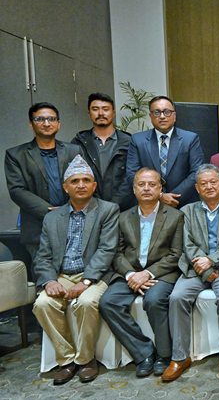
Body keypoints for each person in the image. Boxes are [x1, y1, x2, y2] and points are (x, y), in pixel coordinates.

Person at [32, 155, 119, 385]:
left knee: (87, 302)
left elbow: (107, 250)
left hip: (94, 275)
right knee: (42, 304)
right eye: (75, 181)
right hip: (62, 275)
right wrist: (50, 281)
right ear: (65, 187)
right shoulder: (52, 218)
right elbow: (43, 256)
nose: (81, 185)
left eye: (86, 180)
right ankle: (66, 360)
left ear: (94, 185)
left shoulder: (108, 211)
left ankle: (86, 359)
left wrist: (86, 281)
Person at [98, 167, 183, 378]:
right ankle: (144, 353)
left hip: (161, 274)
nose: (147, 188)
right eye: (141, 185)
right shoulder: (123, 217)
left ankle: (164, 355)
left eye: (152, 184)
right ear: (134, 189)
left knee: (153, 300)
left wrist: (148, 274)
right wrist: (130, 275)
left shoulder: (175, 216)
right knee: (108, 302)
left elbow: (176, 254)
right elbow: (116, 253)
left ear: (160, 188)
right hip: (130, 273)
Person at [162, 165, 219, 381]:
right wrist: (205, 270)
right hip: (195, 267)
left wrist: (212, 261)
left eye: (213, 182)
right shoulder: (187, 211)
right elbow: (186, 244)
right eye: (203, 183)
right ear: (197, 187)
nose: (209, 186)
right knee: (177, 297)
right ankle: (179, 357)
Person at [4, 103, 81, 277]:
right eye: (40, 119)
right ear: (32, 124)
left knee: (75, 279)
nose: (46, 123)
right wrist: (50, 212)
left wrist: (70, 208)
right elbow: (17, 190)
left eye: (51, 119)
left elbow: (84, 183)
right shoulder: (16, 154)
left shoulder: (74, 150)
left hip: (73, 223)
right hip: (38, 229)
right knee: (45, 281)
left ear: (58, 123)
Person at [125, 95, 205, 208]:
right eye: (157, 112)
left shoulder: (190, 139)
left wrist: (173, 197)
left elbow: (197, 172)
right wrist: (160, 196)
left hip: (184, 204)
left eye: (167, 112)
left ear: (174, 115)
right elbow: (132, 174)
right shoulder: (138, 140)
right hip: (149, 205)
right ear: (151, 116)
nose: (162, 116)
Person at [72, 92, 134, 209]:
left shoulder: (130, 142)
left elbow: (131, 177)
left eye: (105, 109)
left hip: (124, 208)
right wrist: (96, 205)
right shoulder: (79, 142)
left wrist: (112, 205)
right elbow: (75, 176)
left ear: (113, 113)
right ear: (89, 113)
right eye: (95, 109)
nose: (101, 113)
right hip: (89, 208)